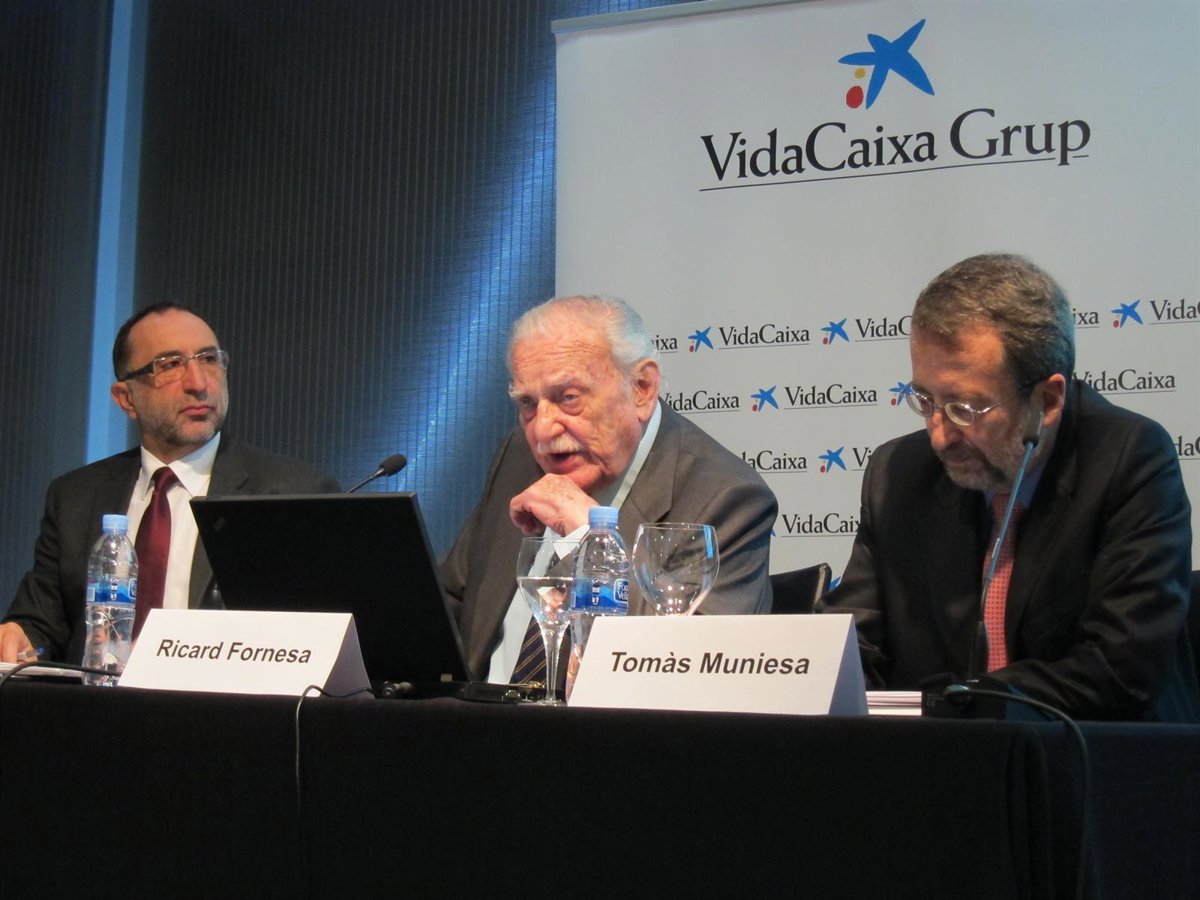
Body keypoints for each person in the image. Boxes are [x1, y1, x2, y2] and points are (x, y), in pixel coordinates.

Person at [819, 254, 1198, 722]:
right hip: (938, 758)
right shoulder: (898, 472)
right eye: (926, 400)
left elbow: (1120, 668)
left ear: (1048, 400)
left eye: (965, 408)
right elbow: (854, 643)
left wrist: (968, 701)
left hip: (1096, 754)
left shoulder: (1128, 459)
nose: (939, 435)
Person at [441, 295, 777, 683]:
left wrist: (592, 542)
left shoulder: (726, 498)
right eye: (528, 403)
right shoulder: (519, 456)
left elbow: (697, 669)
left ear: (642, 388)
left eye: (568, 397)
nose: (542, 430)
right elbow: (451, 600)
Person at [0, 302, 340, 664]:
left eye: (209, 359)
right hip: (98, 698)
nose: (198, 383)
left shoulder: (292, 494)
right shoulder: (75, 497)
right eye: (170, 365)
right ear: (126, 398)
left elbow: (317, 643)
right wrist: (19, 634)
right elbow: (41, 624)